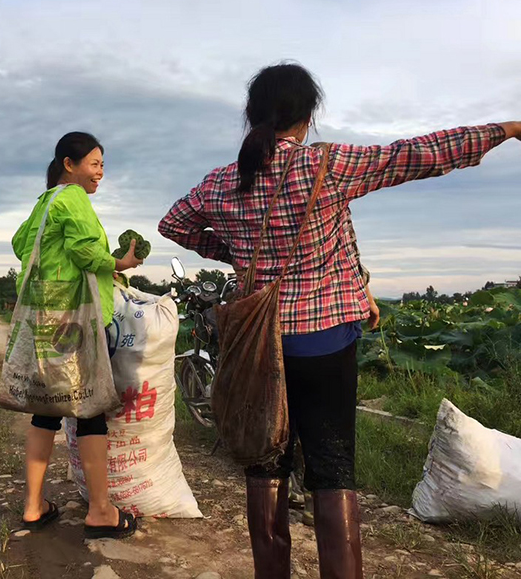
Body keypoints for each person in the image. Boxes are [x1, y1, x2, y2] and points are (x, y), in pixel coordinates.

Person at [158, 63, 520, 578]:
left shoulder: (221, 181)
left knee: (265, 463)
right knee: (332, 467)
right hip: (324, 342)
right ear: (307, 117)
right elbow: (416, 154)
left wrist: (238, 255)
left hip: (257, 345)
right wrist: (506, 129)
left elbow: (173, 223)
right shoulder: (328, 164)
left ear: (253, 115)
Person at [11, 131, 142, 539]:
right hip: (76, 319)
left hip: (44, 316)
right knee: (89, 409)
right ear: (69, 165)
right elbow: (85, 251)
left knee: (47, 408)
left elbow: (19, 244)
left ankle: (33, 506)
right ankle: (101, 511)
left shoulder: (45, 201)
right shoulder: (73, 197)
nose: (100, 172)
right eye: (94, 164)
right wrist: (120, 262)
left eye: (103, 165)